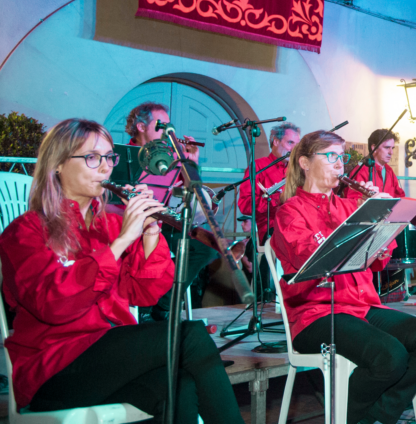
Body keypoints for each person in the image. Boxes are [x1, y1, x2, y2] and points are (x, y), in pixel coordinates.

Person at [0, 119, 241, 423]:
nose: (105, 168)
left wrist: (151, 232)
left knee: (179, 385)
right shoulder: (26, 231)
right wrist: (123, 240)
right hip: (53, 368)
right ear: (58, 164)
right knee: (189, 335)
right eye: (91, 157)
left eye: (109, 157)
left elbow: (144, 293)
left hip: (108, 359)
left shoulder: (110, 224)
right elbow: (52, 305)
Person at [271, 131, 416, 424]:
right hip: (316, 314)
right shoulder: (290, 212)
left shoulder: (346, 206)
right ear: (304, 162)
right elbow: (312, 260)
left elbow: (378, 261)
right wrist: (352, 223)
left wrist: (382, 219)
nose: (340, 165)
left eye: (341, 157)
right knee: (390, 356)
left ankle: (376, 413)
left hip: (361, 306)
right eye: (330, 156)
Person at [125, 102, 218, 321]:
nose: (167, 131)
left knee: (206, 248)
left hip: (161, 226)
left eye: (169, 126)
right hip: (129, 225)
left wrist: (191, 163)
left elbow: (197, 199)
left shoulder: (171, 157)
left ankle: (162, 304)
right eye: (161, 125)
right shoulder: (124, 155)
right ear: (140, 126)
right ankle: (143, 306)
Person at [237, 122, 301, 243]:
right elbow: (245, 204)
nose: (294, 149)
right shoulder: (258, 167)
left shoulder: (297, 170)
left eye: (297, 145)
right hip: (273, 229)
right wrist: (276, 199)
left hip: (297, 227)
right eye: (290, 143)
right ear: (276, 141)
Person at [346, 128, 405, 199]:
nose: (391, 152)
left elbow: (399, 197)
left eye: (392, 148)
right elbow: (352, 201)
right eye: (387, 147)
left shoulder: (389, 170)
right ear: (374, 148)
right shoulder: (361, 171)